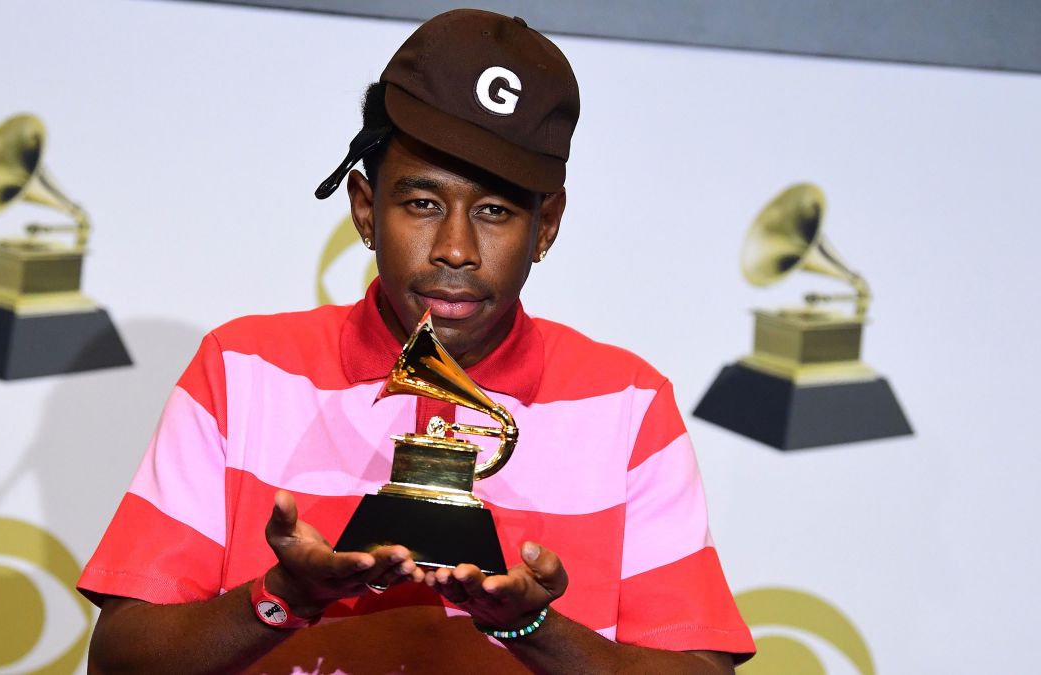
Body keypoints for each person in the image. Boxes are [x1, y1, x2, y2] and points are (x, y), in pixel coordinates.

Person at [79, 9, 755, 674]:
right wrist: (284, 597)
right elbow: (120, 656)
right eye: (422, 203)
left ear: (546, 226)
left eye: (495, 210)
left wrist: (532, 627)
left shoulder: (630, 404)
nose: (456, 248)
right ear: (365, 209)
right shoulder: (240, 369)